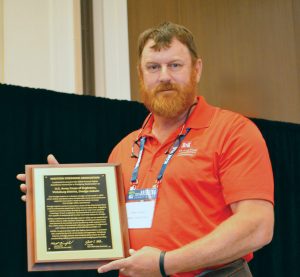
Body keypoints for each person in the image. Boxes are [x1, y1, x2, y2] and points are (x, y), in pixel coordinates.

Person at [18, 22, 274, 277]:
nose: (164, 76)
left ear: (197, 70)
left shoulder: (233, 131)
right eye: (153, 67)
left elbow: (258, 226)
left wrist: (165, 263)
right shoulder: (124, 148)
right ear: (141, 75)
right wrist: (59, 200)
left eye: (175, 65)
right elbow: (108, 234)